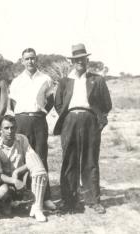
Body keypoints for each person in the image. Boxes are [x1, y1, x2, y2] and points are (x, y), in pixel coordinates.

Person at [53, 43, 112, 214]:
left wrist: (95, 116)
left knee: (90, 160)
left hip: (90, 121)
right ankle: (69, 201)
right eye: (76, 59)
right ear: (72, 61)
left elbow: (107, 104)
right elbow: (58, 103)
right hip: (70, 121)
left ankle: (93, 200)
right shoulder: (64, 81)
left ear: (87, 59)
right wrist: (70, 116)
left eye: (82, 58)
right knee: (69, 161)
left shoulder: (97, 79)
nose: (80, 62)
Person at [8, 48, 56, 210]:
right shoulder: (16, 81)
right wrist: (22, 116)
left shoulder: (46, 79)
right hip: (21, 121)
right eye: (27, 59)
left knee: (40, 156)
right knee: (21, 159)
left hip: (38, 120)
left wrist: (41, 113)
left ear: (37, 60)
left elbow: (50, 101)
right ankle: (23, 195)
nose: (30, 61)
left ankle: (45, 197)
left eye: (32, 58)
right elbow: (13, 104)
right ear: (22, 61)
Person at [0, 115, 48, 222]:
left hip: (21, 177)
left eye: (12, 127)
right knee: (3, 192)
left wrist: (17, 171)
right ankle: (5, 202)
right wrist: (14, 180)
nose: (10, 131)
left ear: (16, 128)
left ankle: (37, 208)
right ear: (0, 130)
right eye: (6, 128)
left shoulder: (22, 138)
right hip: (6, 181)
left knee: (39, 171)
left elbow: (31, 158)